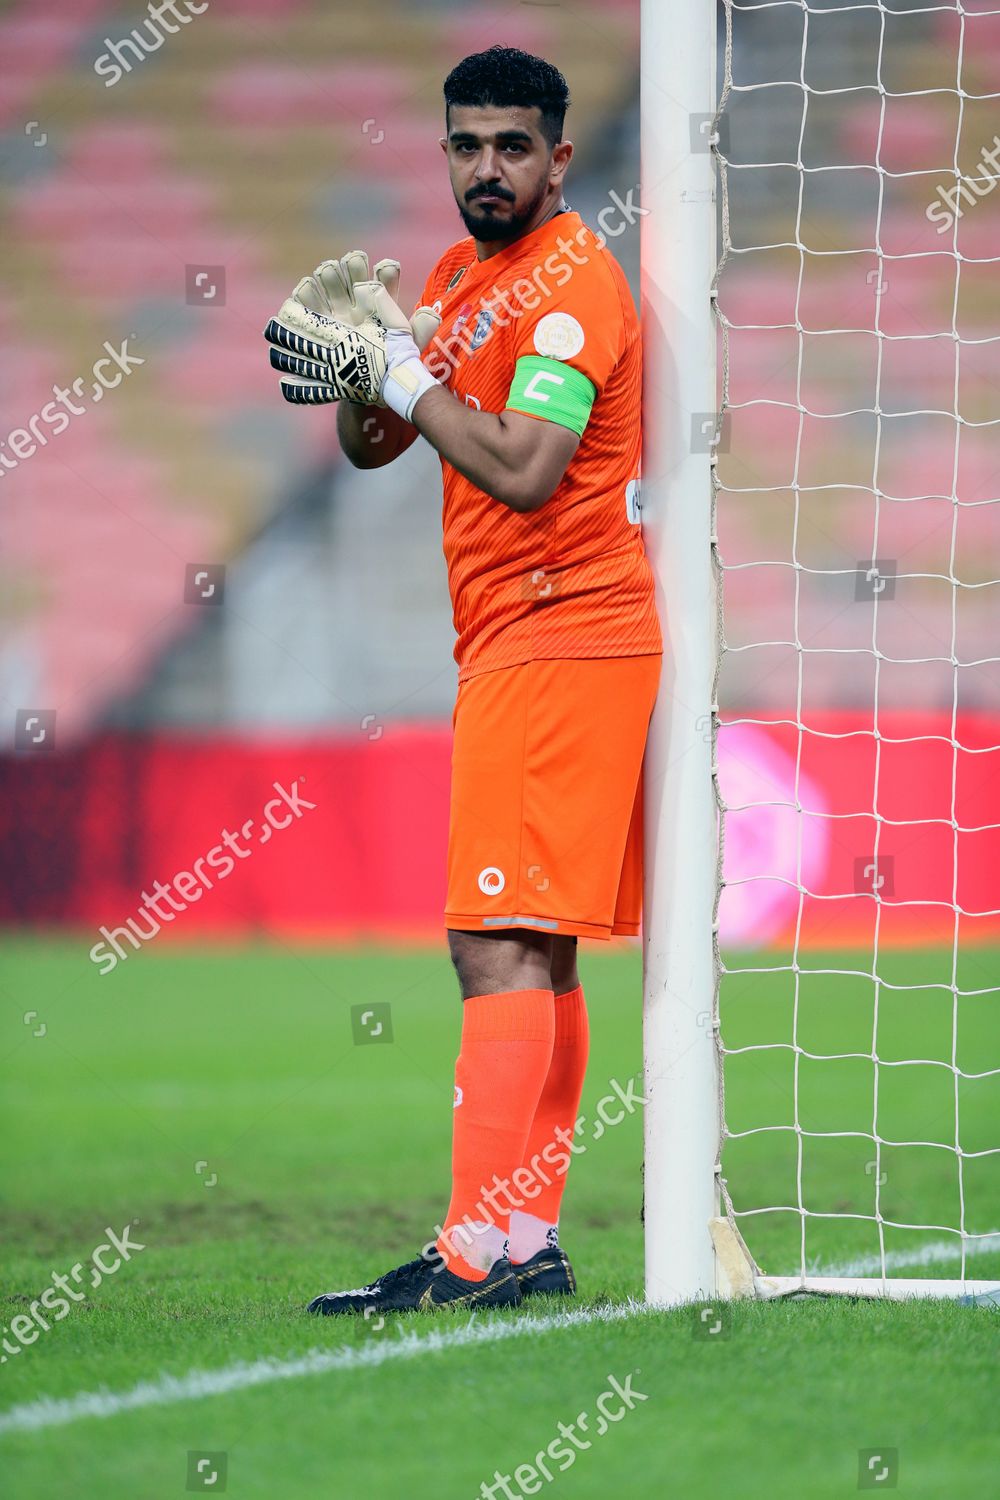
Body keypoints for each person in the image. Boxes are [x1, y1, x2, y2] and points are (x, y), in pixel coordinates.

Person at [264, 45, 661, 1314]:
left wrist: (407, 373)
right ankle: (524, 1243)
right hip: (510, 641)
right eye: (464, 145)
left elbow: (527, 466)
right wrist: (364, 368)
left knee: (492, 944)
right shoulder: (452, 275)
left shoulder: (569, 291)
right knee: (535, 950)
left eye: (510, 145)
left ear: (555, 154)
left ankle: (469, 1251)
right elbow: (378, 444)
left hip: (564, 631)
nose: (485, 167)